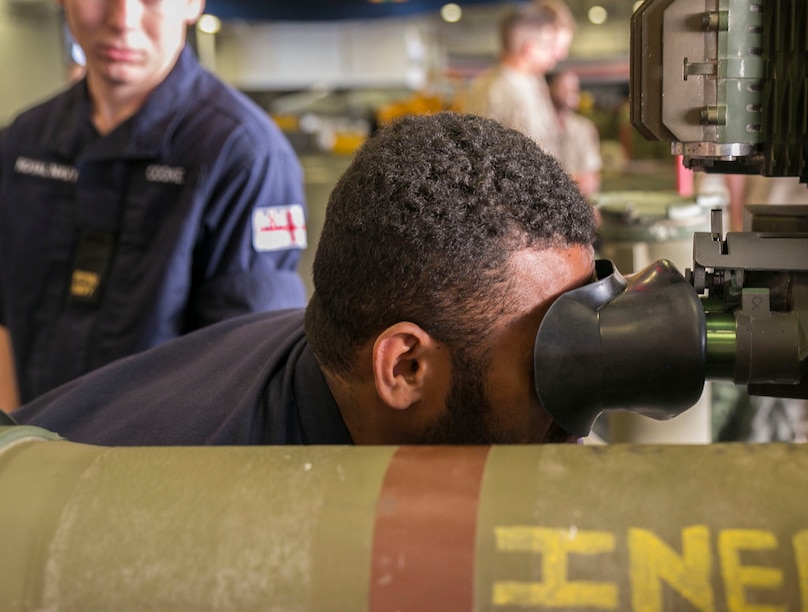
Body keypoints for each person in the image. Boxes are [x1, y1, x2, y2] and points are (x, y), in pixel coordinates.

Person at [12, 112, 599, 447]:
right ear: (403, 367)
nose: (577, 421)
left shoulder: (328, 350)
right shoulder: (204, 528)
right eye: (547, 362)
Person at [0, 0, 308, 410]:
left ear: (193, 4)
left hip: (162, 460)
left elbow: (247, 368)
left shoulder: (247, 157)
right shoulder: (22, 142)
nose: (122, 19)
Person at [464, 2, 569, 157]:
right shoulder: (505, 90)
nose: (555, 55)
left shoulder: (524, 82)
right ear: (529, 49)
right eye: (547, 46)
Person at [546, 69, 602, 197]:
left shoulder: (585, 128)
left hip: (577, 201)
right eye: (564, 87)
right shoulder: (537, 126)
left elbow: (591, 176)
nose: (572, 92)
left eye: (574, 87)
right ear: (549, 88)